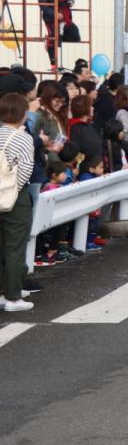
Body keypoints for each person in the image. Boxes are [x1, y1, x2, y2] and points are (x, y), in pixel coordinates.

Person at [0, 93, 36, 312]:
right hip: (14, 197)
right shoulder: (23, 138)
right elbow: (25, 171)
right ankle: (13, 296)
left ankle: (4, 291)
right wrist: (12, 191)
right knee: (15, 246)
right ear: (22, 114)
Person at [37, 0, 75, 70]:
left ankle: (52, 40)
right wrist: (55, 14)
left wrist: (70, 2)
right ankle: (53, 64)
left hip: (65, 17)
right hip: (51, 19)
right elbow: (43, 6)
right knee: (54, 39)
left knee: (75, 36)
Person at [67, 95, 103, 163]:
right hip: (86, 168)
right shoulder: (74, 128)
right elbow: (76, 152)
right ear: (84, 108)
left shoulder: (90, 125)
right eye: (90, 106)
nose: (92, 108)